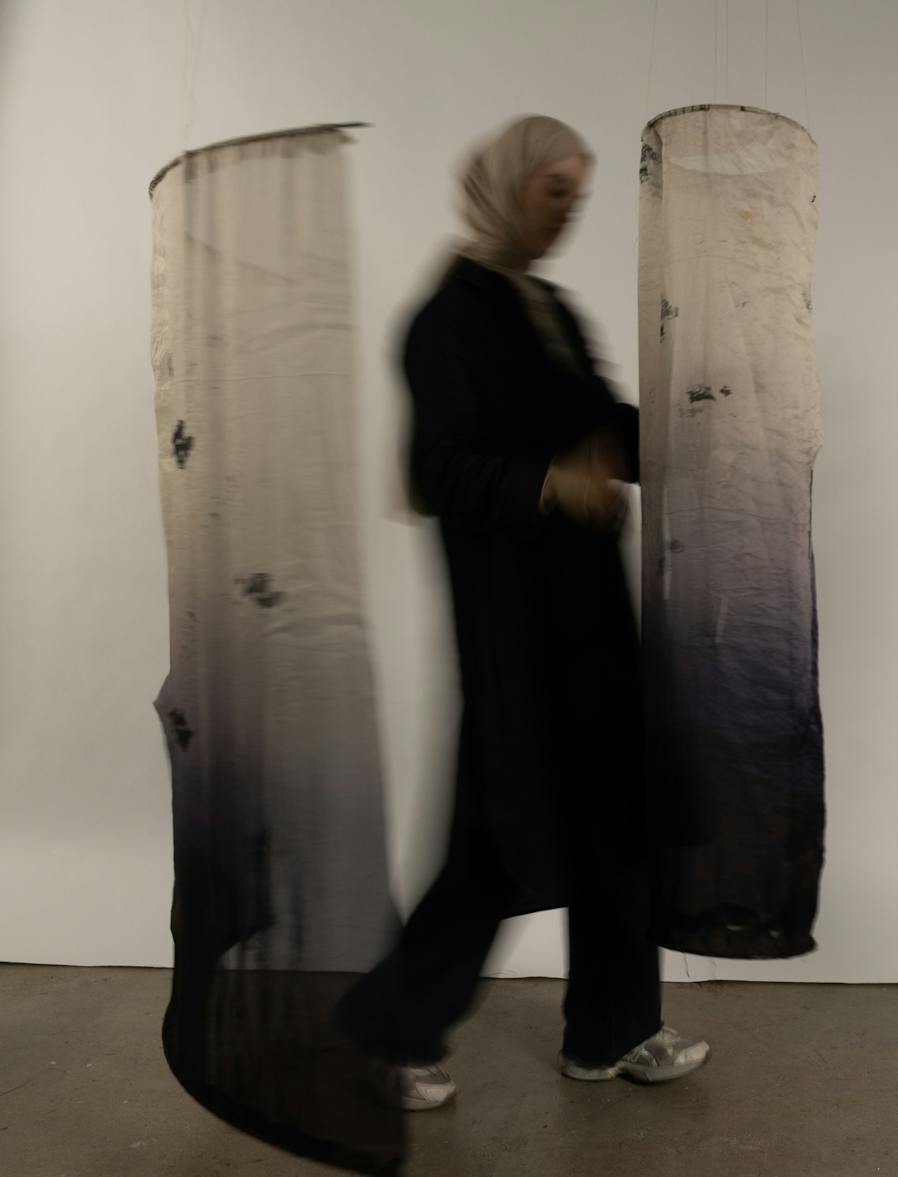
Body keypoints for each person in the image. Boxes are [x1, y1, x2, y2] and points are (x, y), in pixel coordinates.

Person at [335, 115, 708, 1111]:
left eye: (579, 198)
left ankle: (613, 1029)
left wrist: (701, 429)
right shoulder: (445, 319)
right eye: (555, 193)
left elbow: (602, 427)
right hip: (512, 621)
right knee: (499, 834)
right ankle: (386, 1033)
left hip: (589, 611)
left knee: (614, 816)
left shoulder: (547, 308)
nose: (567, 215)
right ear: (505, 186)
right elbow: (440, 471)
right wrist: (550, 484)